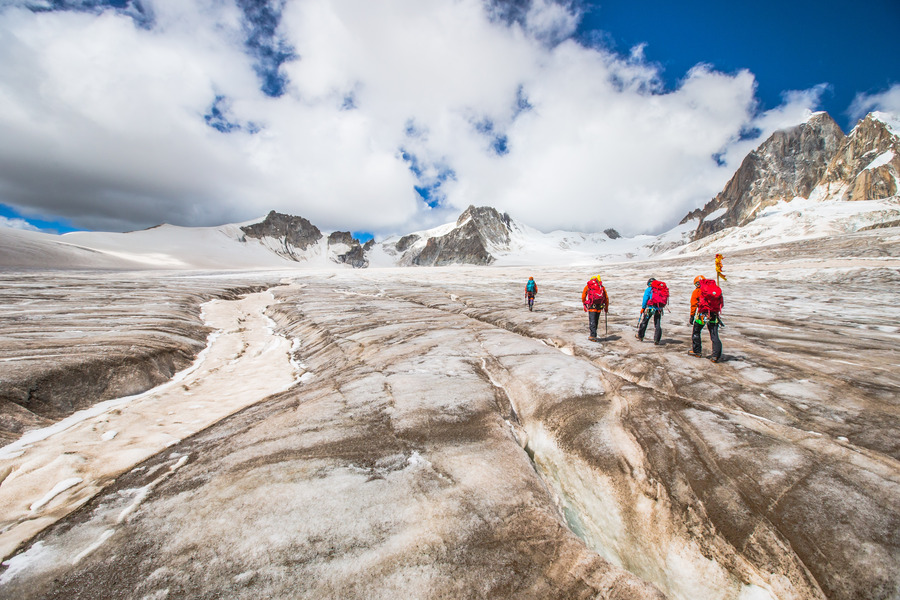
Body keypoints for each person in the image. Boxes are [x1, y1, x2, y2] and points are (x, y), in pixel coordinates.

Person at [688, 275, 724, 362]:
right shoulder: (714, 290)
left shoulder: (697, 291)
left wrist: (692, 316)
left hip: (702, 315)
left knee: (696, 332)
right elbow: (721, 303)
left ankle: (697, 351)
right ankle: (716, 356)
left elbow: (693, 305)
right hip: (714, 315)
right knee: (714, 335)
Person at [637, 277, 667, 345]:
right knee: (657, 324)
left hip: (650, 308)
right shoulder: (659, 289)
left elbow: (645, 299)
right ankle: (657, 340)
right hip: (658, 309)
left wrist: (643, 308)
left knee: (645, 322)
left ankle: (640, 336)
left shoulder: (649, 289)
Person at [581, 275, 608, 342]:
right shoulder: (601, 287)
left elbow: (583, 296)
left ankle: (593, 336)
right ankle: (594, 335)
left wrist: (584, 304)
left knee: (592, 321)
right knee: (596, 321)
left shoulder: (588, 287)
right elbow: (606, 298)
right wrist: (606, 307)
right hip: (599, 306)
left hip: (591, 306)